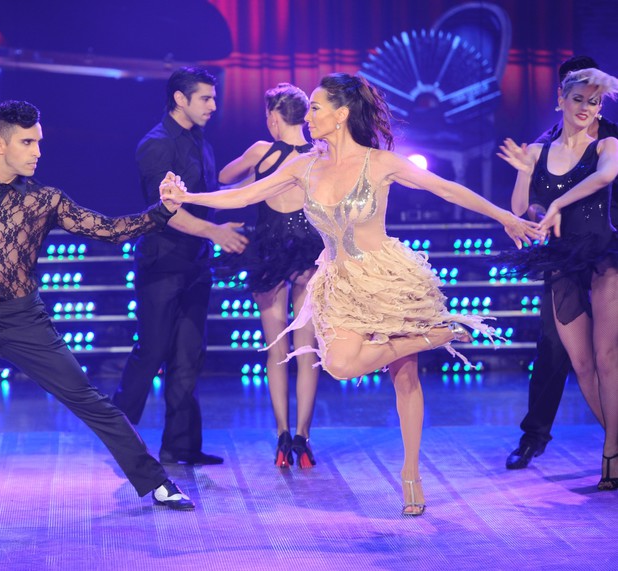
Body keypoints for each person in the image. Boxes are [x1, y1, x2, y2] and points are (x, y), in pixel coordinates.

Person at [160, 72, 543, 515]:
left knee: (404, 377)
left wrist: (505, 216)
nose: (309, 116)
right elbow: (245, 195)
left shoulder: (380, 163)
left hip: (388, 277)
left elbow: (445, 187)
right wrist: (187, 197)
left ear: (341, 114)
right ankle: (441, 334)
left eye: (316, 108)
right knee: (340, 365)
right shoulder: (304, 166)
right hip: (340, 283)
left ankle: (411, 473)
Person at [0, 99, 195, 523]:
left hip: (23, 320)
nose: (37, 151)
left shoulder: (45, 199)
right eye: (27, 143)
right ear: (0, 144)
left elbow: (109, 230)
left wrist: (163, 211)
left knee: (87, 399)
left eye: (39, 142)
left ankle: (157, 482)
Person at [112, 67, 247, 466]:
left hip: (195, 265)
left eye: (214, 97)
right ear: (180, 99)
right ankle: (118, 435)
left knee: (189, 356)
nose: (214, 106)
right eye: (205, 98)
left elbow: (207, 195)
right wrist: (215, 232)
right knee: (152, 351)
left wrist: (261, 184)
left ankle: (180, 446)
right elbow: (166, 211)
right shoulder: (155, 145)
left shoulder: (200, 141)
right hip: (162, 264)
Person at [498, 68, 618, 491]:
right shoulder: (536, 150)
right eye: (579, 99)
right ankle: (615, 443)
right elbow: (520, 207)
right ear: (561, 100)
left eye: (594, 102)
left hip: (605, 256)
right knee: (581, 363)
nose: (586, 108)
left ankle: (611, 453)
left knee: (607, 357)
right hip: (562, 261)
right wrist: (524, 172)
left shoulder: (607, 143)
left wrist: (558, 204)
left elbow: (605, 176)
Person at [217, 83, 324, 468]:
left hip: (269, 254)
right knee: (307, 350)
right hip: (310, 254)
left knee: (276, 351)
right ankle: (303, 439)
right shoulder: (319, 155)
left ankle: (281, 437)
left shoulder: (262, 151)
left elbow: (225, 177)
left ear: (275, 118)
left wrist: (254, 181)